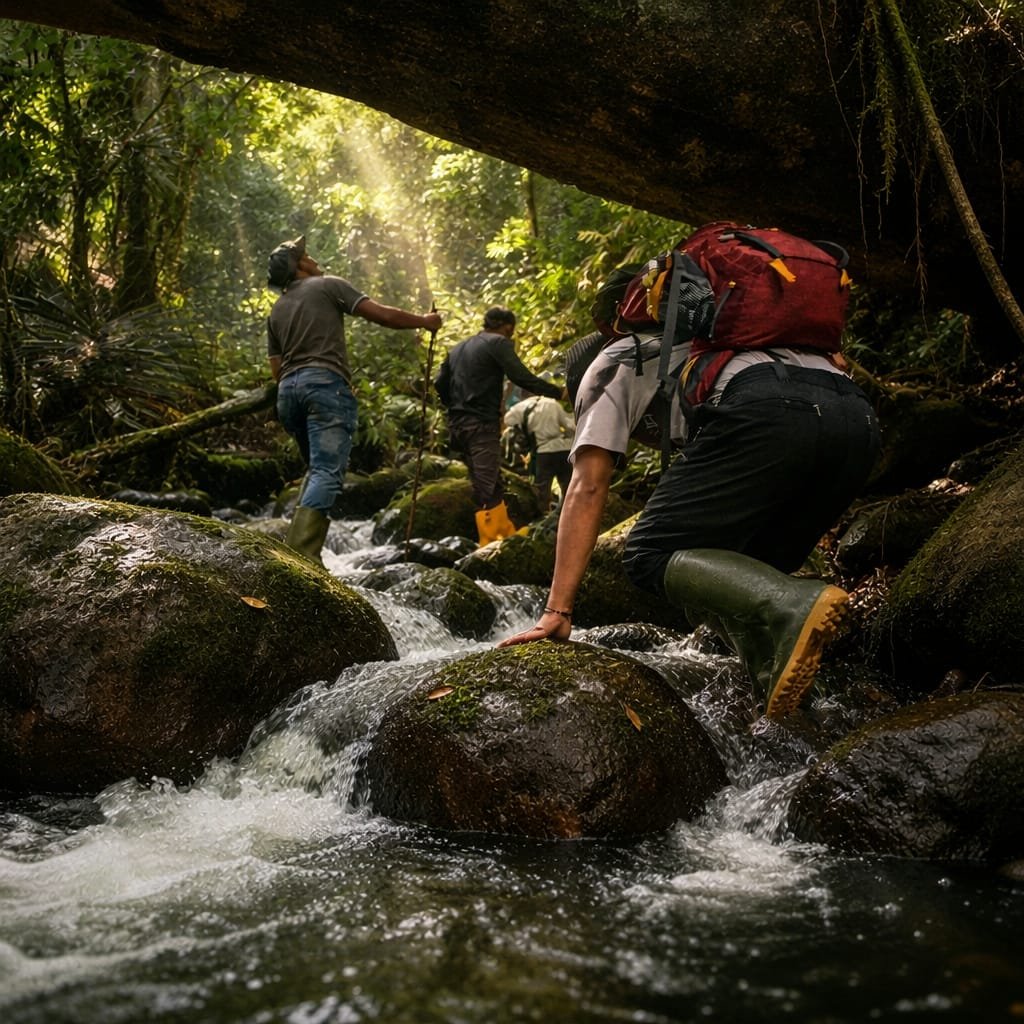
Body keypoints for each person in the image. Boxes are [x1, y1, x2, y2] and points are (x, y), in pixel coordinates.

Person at [499, 295, 881, 721]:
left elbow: (587, 486)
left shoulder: (605, 369)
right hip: (858, 422)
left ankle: (794, 603)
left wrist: (556, 611)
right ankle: (788, 696)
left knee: (648, 553)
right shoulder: (705, 344)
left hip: (772, 411)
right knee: (726, 572)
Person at [267, 235, 442, 564]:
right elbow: (382, 316)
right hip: (324, 386)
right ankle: (301, 556)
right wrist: (424, 321)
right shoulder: (328, 285)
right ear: (300, 264)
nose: (315, 260)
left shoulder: (277, 309)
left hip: (288, 393)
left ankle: (295, 551)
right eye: (308, 255)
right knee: (326, 471)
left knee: (316, 470)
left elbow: (276, 369)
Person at [433, 306, 564, 546]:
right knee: (488, 482)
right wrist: (558, 392)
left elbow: (439, 383)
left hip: (457, 424)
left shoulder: (458, 348)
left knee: (482, 479)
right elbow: (521, 377)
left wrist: (455, 405)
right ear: (508, 327)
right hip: (481, 422)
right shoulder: (498, 343)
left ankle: (501, 531)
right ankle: (491, 540)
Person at [502, 378, 576, 511]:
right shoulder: (552, 403)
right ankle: (569, 512)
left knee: (542, 489)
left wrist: (526, 429)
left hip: (543, 452)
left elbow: (508, 421)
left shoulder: (519, 408)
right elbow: (569, 426)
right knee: (568, 486)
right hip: (563, 450)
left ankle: (544, 514)